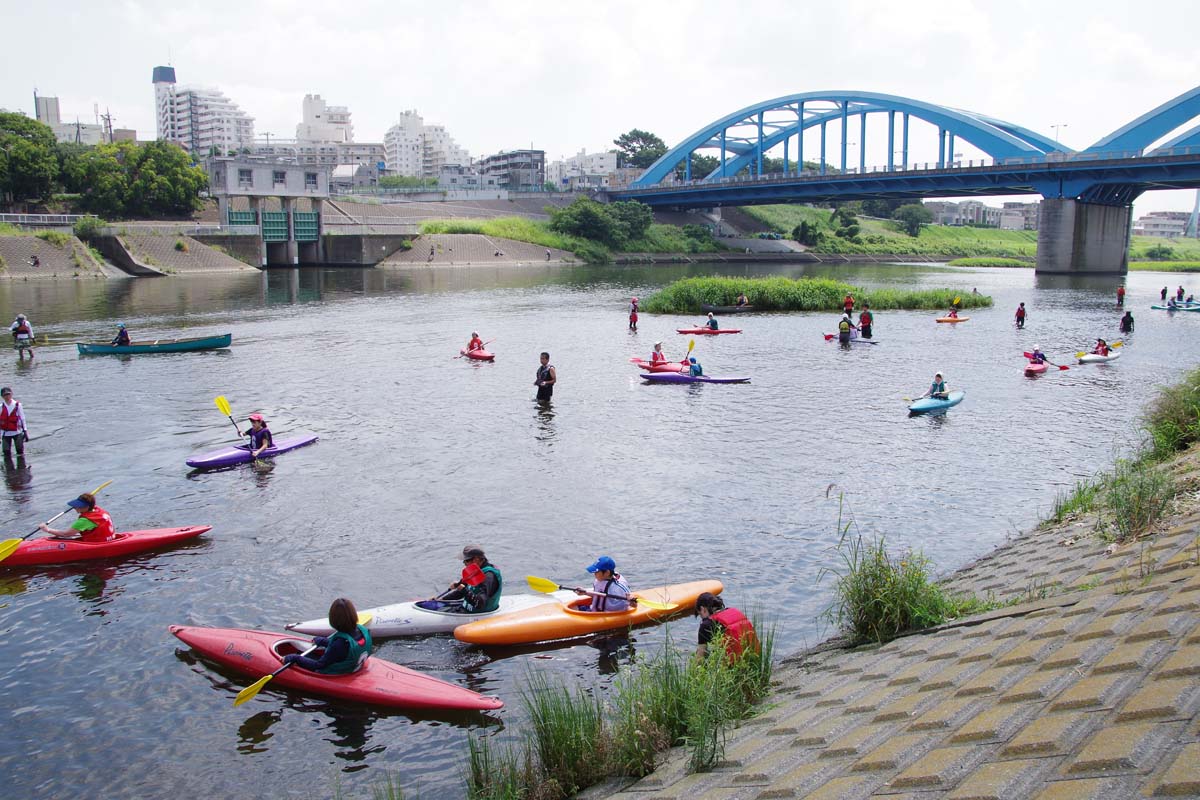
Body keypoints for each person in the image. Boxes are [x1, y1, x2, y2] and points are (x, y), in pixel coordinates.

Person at [283, 598, 372, 675]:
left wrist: (294, 658)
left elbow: (318, 665)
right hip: (354, 667)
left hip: (337, 673)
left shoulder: (340, 644)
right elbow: (344, 649)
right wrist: (323, 641)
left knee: (300, 654)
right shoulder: (364, 630)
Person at [437, 545, 503, 613]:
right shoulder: (476, 570)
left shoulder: (488, 577)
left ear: (476, 559)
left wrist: (464, 590)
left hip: (478, 614)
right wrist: (440, 600)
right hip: (464, 608)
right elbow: (461, 592)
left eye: (466, 560)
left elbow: (480, 604)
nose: (464, 563)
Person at [695, 592, 758, 660]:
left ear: (702, 609)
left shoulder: (706, 625)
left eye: (700, 615)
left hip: (732, 664)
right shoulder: (735, 612)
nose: (702, 619)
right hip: (754, 659)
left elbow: (700, 658)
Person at [39, 492, 114, 542]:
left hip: (98, 543)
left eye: (79, 506)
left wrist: (47, 529)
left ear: (87, 507)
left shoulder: (84, 521)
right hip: (108, 539)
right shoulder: (98, 510)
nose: (75, 507)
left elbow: (66, 534)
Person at [0, 387, 27, 459]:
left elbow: (22, 418)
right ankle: (8, 469)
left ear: (11, 394)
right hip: (5, 433)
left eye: (8, 394)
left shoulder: (18, 405)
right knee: (6, 452)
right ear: (2, 396)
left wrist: (25, 431)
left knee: (20, 451)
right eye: (5, 395)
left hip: (17, 432)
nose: (7, 396)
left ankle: (21, 468)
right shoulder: (1, 407)